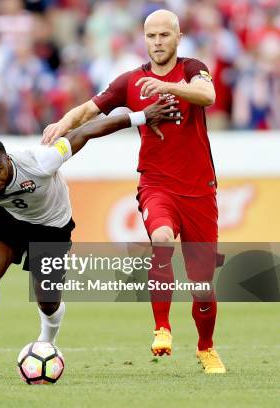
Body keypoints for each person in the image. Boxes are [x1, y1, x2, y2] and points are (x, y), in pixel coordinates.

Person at [0, 97, 177, 375]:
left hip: (52, 226)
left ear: (8, 160)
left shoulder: (41, 161)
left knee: (47, 300)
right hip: (7, 220)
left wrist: (141, 117)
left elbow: (83, 132)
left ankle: (46, 344)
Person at [42, 10, 225, 374]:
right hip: (156, 183)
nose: (157, 43)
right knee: (160, 238)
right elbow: (91, 109)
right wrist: (62, 123)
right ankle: (162, 328)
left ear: (177, 37)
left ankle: (206, 348)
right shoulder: (131, 81)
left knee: (202, 283)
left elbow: (208, 94)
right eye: (151, 36)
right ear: (144, 39)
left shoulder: (192, 69)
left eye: (164, 36)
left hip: (199, 189)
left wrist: (169, 88)